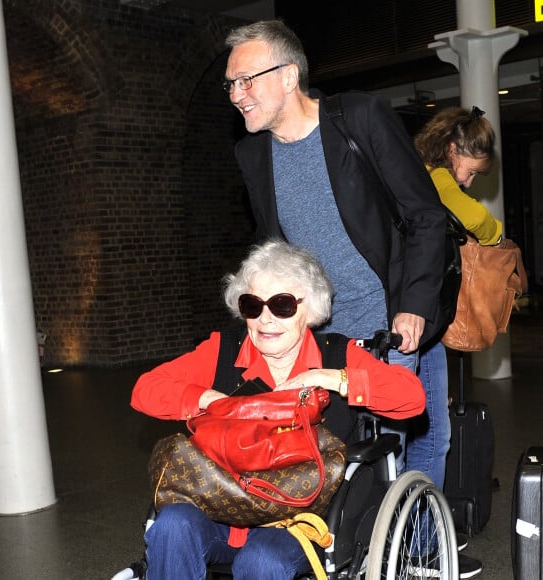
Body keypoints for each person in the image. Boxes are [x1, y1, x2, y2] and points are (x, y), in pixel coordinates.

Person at [223, 20, 482, 578]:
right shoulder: (253, 155)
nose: (237, 94)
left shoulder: (357, 119)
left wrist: (411, 304)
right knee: (326, 444)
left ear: (289, 75)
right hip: (315, 330)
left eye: (246, 80)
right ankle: (339, 543)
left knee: (403, 435)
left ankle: (415, 548)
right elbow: (274, 249)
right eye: (231, 85)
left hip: (388, 316)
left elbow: (424, 215)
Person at [131, 239, 426, 580]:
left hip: (301, 518)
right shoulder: (222, 352)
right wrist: (206, 398)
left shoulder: (338, 356)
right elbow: (145, 390)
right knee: (171, 525)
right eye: (252, 305)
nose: (265, 319)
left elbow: (412, 397)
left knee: (262, 560)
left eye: (282, 305)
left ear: (310, 310)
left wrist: (330, 378)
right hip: (222, 507)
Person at [414, 105, 503, 245]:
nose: (468, 183)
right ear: (453, 149)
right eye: (471, 172)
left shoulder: (420, 169)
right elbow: (477, 217)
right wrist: (496, 237)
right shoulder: (437, 175)